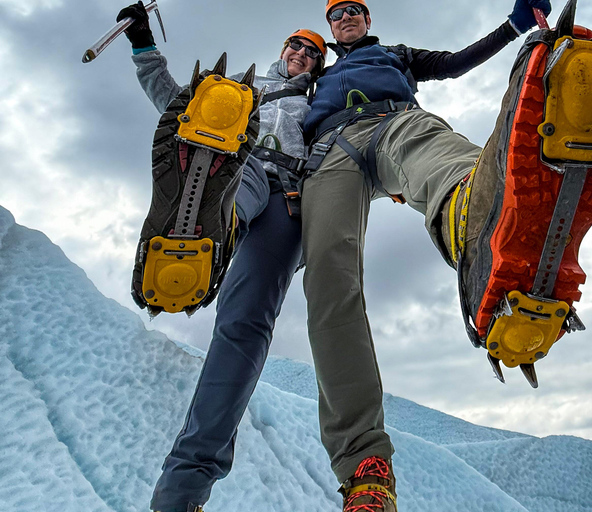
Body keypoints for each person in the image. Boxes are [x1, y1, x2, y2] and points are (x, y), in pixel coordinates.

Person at [299, 0, 553, 510]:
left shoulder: (396, 55)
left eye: (354, 9)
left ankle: (480, 226)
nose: (345, 16)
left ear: (367, 20)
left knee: (441, 157)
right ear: (330, 27)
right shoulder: (315, 76)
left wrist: (515, 25)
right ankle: (363, 465)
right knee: (327, 273)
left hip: (395, 124)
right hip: (330, 151)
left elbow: (456, 62)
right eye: (336, 12)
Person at [115, 3, 327, 511]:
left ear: (319, 65)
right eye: (294, 44)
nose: (300, 52)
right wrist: (143, 45)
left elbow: (355, 154)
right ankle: (207, 229)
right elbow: (177, 108)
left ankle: (181, 495)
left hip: (291, 201)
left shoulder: (324, 104)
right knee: (217, 135)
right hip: (239, 168)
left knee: (244, 325)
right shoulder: (237, 92)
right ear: (282, 51)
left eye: (312, 51)